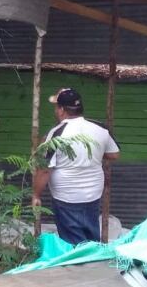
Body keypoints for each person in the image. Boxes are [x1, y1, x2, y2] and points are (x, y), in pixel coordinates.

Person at [32, 88, 120, 245]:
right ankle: (92, 263)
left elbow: (44, 169)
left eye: (56, 107)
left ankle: (79, 266)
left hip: (67, 197)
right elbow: (114, 154)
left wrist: (36, 195)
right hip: (93, 194)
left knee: (72, 243)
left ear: (61, 110)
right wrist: (94, 154)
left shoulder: (56, 134)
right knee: (91, 236)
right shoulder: (100, 128)